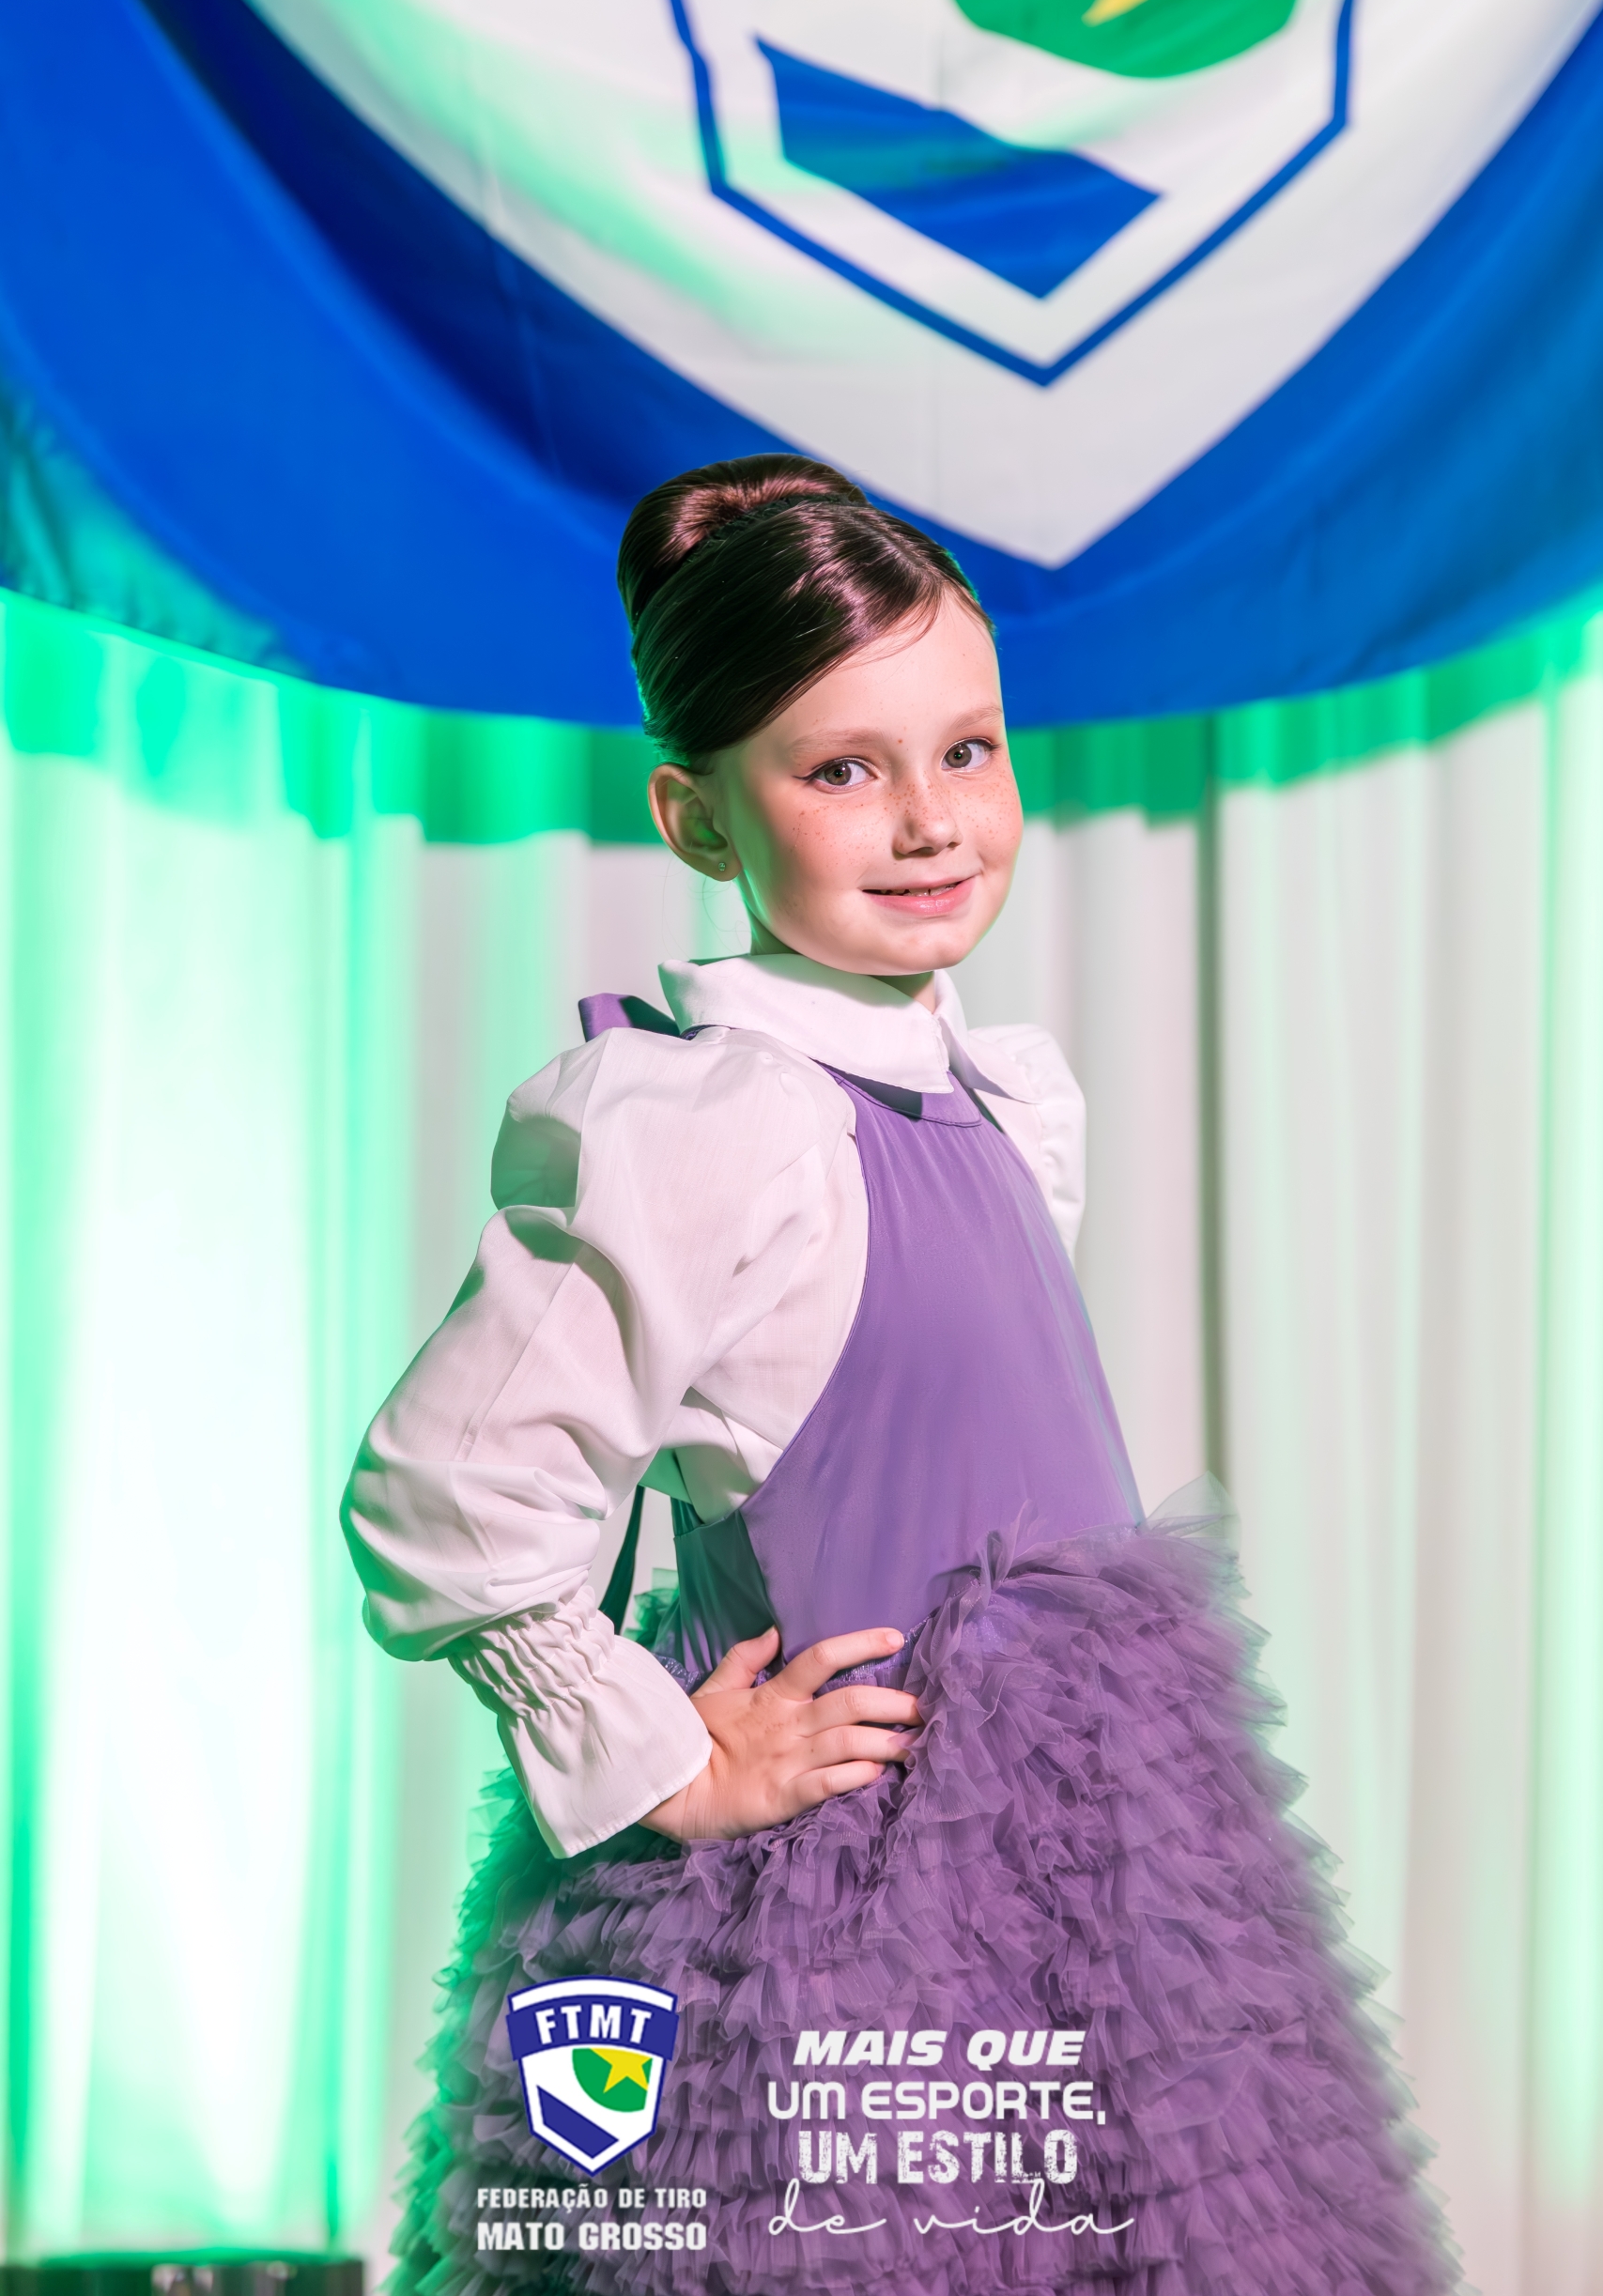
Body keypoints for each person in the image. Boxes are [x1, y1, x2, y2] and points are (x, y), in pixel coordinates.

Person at [343, 456, 1457, 2294]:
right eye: (842, 770)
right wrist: (661, 1756)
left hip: (1103, 1864)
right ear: (698, 818)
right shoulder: (703, 1121)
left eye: (967, 749)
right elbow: (444, 1498)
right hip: (853, 1896)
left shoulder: (998, 1094)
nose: (932, 819)